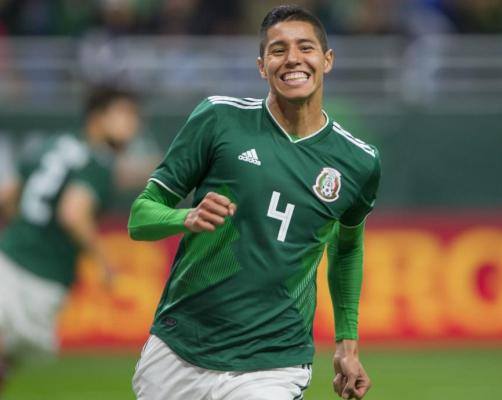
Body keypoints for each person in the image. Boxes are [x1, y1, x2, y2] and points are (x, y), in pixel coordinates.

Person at [128, 5, 380, 400]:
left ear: (327, 60)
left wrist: (347, 345)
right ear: (262, 66)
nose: (293, 58)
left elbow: (347, 248)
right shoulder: (219, 119)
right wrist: (185, 217)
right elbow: (140, 216)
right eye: (278, 50)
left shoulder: (358, 162)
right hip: (181, 347)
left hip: (274, 361)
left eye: (305, 48)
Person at [0, 86, 140, 393]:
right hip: (39, 277)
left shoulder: (53, 145)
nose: (133, 124)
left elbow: (8, 195)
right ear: (98, 117)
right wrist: (102, 262)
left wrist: (24, 230)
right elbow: (73, 213)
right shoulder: (97, 162)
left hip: (8, 256)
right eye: (124, 114)